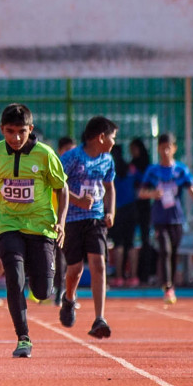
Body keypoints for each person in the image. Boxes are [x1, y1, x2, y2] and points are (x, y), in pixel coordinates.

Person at [0, 104, 69, 358]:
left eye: (21, 132)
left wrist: (62, 222)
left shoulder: (45, 155)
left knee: (42, 291)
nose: (15, 138)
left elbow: (61, 188)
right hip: (7, 225)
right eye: (9, 131)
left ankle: (41, 279)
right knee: (14, 277)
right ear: (1, 129)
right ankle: (23, 337)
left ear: (30, 129)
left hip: (41, 227)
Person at [58, 116, 117, 338]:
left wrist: (110, 211)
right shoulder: (72, 157)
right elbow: (58, 184)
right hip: (73, 220)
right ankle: (69, 299)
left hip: (96, 218)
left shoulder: (108, 160)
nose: (114, 142)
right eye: (112, 137)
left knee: (98, 264)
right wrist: (77, 200)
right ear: (101, 137)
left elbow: (109, 187)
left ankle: (99, 317)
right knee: (75, 269)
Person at [138, 132, 193, 305]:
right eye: (162, 148)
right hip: (159, 218)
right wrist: (152, 194)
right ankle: (167, 286)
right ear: (158, 149)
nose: (165, 151)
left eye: (168, 148)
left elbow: (192, 190)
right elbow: (141, 192)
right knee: (165, 250)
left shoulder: (180, 170)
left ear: (174, 149)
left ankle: (170, 284)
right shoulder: (152, 171)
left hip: (177, 218)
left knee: (174, 252)